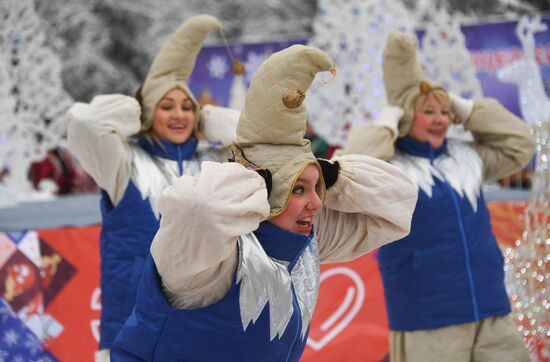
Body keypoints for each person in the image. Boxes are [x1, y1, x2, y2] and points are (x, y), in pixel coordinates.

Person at [109, 44, 418, 361]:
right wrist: (254, 174)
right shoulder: (209, 264)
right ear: (263, 190)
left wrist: (334, 174)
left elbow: (398, 201)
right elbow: (198, 208)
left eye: (318, 189)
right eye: (298, 190)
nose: (316, 203)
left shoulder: (307, 242)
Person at [338, 32, 536, 362]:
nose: (441, 119)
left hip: (491, 309)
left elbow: (521, 145)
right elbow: (349, 166)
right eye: (429, 111)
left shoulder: (467, 158)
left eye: (446, 112)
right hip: (428, 319)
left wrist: (469, 109)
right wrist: (386, 125)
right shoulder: (389, 168)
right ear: (405, 116)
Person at [67, 15, 241, 361]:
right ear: (148, 113)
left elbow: (257, 143)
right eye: (166, 107)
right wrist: (137, 107)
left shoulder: (217, 162)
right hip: (133, 325)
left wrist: (211, 119)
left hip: (206, 317)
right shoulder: (122, 163)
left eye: (187, 107)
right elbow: (85, 123)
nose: (179, 115)